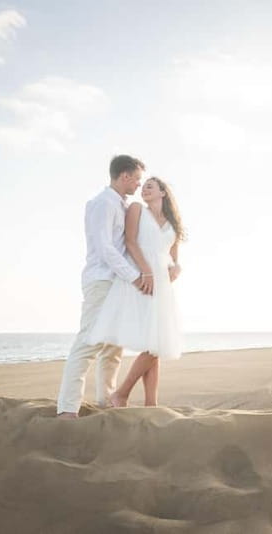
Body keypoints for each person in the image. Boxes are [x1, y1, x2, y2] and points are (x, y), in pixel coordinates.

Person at [56, 155, 150, 418]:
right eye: (137, 179)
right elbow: (104, 247)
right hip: (102, 280)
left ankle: (106, 401)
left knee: (113, 346)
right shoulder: (103, 203)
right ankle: (67, 409)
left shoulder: (123, 204)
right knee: (88, 342)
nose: (139, 185)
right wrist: (134, 277)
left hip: (117, 283)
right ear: (124, 176)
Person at [87, 176, 185, 407]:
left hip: (162, 284)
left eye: (150, 185)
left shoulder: (173, 222)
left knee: (156, 343)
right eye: (143, 186)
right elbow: (130, 242)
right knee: (154, 344)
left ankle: (151, 404)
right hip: (141, 279)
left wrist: (177, 268)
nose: (144, 188)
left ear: (163, 192)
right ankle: (121, 393)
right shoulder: (136, 209)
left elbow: (174, 257)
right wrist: (146, 272)